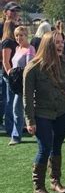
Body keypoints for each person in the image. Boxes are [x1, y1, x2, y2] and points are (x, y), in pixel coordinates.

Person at [24, 31, 65, 193]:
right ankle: (39, 187)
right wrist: (30, 120)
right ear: (47, 45)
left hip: (62, 111)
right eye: (56, 43)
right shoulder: (33, 67)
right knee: (44, 148)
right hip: (42, 113)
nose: (61, 45)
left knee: (57, 146)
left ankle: (55, 181)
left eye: (61, 42)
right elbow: (27, 96)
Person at [8, 26, 35, 145]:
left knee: (17, 109)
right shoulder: (17, 48)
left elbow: (29, 68)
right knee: (20, 110)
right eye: (17, 36)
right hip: (16, 84)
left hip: (25, 84)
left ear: (26, 35)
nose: (19, 38)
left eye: (21, 35)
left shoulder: (30, 49)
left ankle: (16, 136)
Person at [2, 8, 21, 138]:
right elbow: (5, 61)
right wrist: (10, 75)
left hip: (15, 75)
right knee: (10, 102)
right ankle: (10, 127)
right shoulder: (8, 42)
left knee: (14, 102)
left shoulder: (13, 41)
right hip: (10, 75)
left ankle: (16, 126)